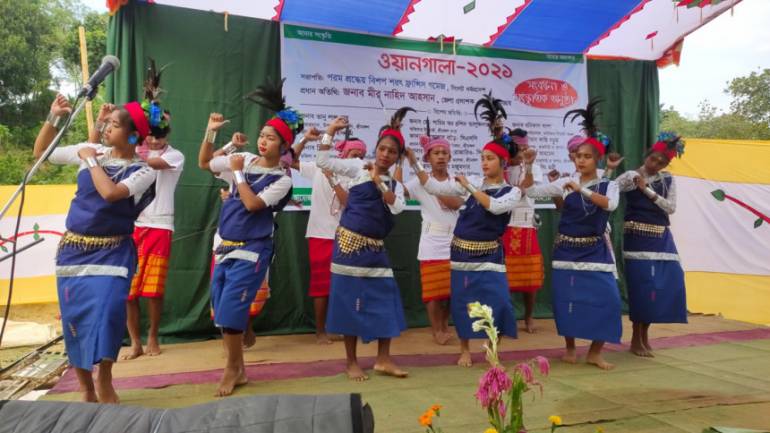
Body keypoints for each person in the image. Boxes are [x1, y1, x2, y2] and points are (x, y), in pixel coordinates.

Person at [33, 93, 157, 403]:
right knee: (75, 318)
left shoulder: (144, 170)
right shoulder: (92, 151)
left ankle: (104, 379)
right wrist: (54, 117)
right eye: (107, 123)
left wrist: (90, 159)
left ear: (132, 135)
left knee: (108, 314)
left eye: (114, 125)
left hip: (114, 253)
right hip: (74, 251)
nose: (106, 129)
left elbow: (111, 193)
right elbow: (42, 154)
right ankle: (86, 388)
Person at [197, 80, 300, 396]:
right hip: (225, 246)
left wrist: (238, 174)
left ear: (283, 146)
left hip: (253, 249)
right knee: (222, 311)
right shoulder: (244, 159)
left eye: (271, 138)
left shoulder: (281, 180)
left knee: (230, 310)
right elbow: (204, 162)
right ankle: (237, 368)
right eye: (262, 136)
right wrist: (214, 135)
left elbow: (254, 204)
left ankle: (232, 369)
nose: (263, 141)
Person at [407, 92, 520, 367]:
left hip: (491, 257)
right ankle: (465, 350)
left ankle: (493, 349)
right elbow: (433, 186)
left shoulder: (512, 191)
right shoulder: (471, 186)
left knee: (499, 304)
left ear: (502, 163)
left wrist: (469, 186)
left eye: (490, 158)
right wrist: (413, 161)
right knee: (465, 303)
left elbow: (493, 207)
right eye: (482, 157)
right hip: (462, 257)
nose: (484, 162)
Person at [316, 109, 414, 381]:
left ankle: (383, 359)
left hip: (375, 251)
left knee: (385, 301)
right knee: (349, 303)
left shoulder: (394, 185)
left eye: (392, 152)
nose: (385, 154)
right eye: (382, 148)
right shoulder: (356, 167)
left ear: (397, 157)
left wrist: (379, 184)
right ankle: (351, 362)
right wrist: (331, 130)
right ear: (376, 148)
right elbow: (322, 159)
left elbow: (396, 209)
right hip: (348, 247)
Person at [526, 99, 622, 370]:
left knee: (609, 300)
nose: (581, 160)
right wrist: (530, 166)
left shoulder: (608, 184)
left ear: (597, 159)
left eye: (587, 156)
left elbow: (609, 205)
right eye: (578, 156)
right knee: (568, 300)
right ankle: (569, 347)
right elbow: (532, 192)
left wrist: (581, 190)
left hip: (596, 251)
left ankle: (595, 351)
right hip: (567, 250)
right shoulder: (563, 183)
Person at [108, 60, 185, 360]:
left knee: (153, 290)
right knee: (129, 290)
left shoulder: (175, 156)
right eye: (149, 134)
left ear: (167, 134)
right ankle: (135, 343)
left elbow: (151, 163)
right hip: (132, 226)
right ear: (142, 134)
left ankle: (154, 336)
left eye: (160, 134)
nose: (154, 140)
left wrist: (135, 147)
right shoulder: (132, 153)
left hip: (161, 227)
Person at [616, 132, 687, 357]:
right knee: (642, 288)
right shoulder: (630, 176)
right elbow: (610, 192)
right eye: (653, 158)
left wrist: (646, 189)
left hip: (662, 239)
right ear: (647, 155)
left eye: (662, 162)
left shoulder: (668, 180)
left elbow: (670, 207)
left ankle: (645, 336)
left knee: (663, 285)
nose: (656, 164)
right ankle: (636, 338)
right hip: (636, 239)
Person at [294, 126, 361, 344]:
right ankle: (320, 331)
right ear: (343, 154)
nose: (357, 159)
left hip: (347, 236)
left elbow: (347, 202)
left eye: (361, 155)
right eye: (354, 154)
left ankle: (342, 328)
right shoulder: (318, 167)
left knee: (345, 284)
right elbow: (289, 160)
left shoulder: (358, 177)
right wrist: (305, 139)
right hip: (321, 235)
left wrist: (333, 179)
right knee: (322, 285)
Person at [403, 119, 462, 345]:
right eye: (435, 153)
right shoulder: (418, 182)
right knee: (432, 291)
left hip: (454, 240)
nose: (440, 156)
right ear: (427, 158)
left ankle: (445, 325)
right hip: (430, 241)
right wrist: (402, 162)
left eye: (444, 153)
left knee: (449, 291)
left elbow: (455, 203)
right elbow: (398, 192)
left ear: (449, 157)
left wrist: (433, 187)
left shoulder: (457, 180)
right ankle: (435, 330)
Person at [502, 128, 544, 333]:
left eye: (525, 147)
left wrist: (528, 164)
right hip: (505, 225)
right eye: (519, 148)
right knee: (505, 275)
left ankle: (528, 317)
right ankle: (507, 316)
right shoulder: (503, 168)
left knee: (530, 277)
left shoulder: (535, 168)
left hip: (526, 225)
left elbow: (524, 188)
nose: (522, 151)